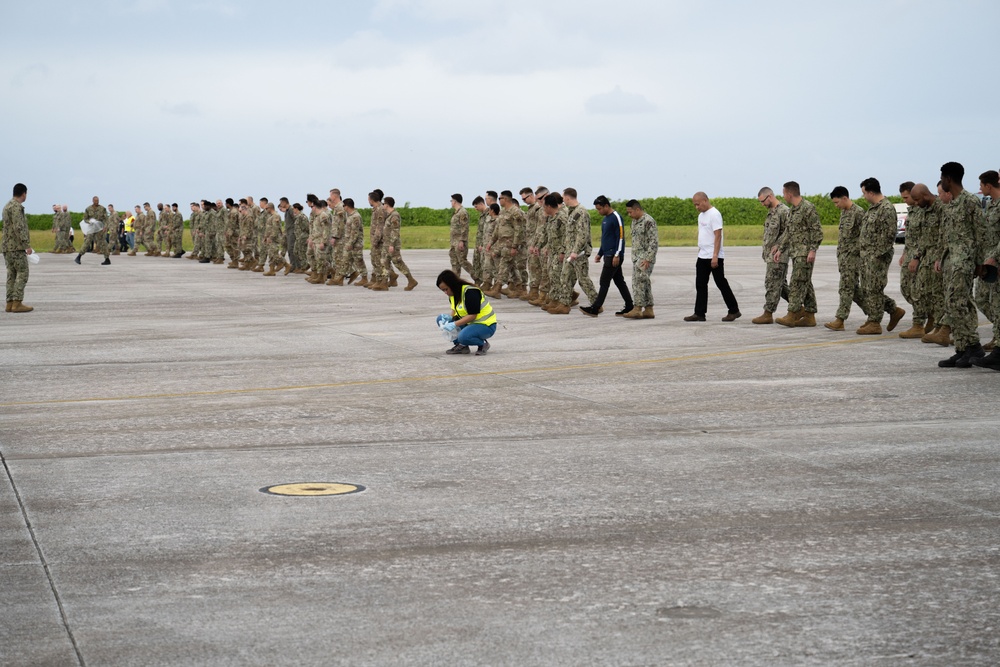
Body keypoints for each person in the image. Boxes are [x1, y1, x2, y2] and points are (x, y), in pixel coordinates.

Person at [935, 162, 986, 367]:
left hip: (964, 261)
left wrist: (981, 263)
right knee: (953, 304)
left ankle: (973, 346)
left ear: (949, 179)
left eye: (942, 178)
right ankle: (962, 348)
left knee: (957, 304)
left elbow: (981, 233)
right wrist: (941, 258)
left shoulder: (970, 201)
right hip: (951, 261)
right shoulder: (951, 204)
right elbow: (947, 236)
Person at [855, 178, 905, 335]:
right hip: (867, 256)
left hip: (876, 257)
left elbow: (889, 235)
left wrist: (875, 256)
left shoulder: (886, 208)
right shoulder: (873, 208)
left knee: (874, 288)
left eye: (864, 193)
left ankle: (875, 322)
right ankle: (891, 310)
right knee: (868, 289)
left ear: (871, 192)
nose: (863, 196)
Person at [685, 192, 740, 322]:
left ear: (705, 200)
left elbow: (718, 235)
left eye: (698, 204)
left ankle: (734, 310)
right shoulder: (701, 216)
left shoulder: (714, 214)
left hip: (714, 256)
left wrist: (715, 256)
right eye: (695, 205)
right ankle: (699, 313)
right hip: (702, 256)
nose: (696, 207)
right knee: (700, 285)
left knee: (721, 283)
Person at [774, 182, 821, 327]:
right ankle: (810, 315)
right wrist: (780, 249)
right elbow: (789, 232)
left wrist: (812, 250)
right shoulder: (793, 211)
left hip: (805, 253)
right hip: (795, 252)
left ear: (789, 193)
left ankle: (792, 314)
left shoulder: (807, 208)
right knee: (805, 282)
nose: (783, 196)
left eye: (783, 193)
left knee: (796, 283)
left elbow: (817, 231)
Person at [581, 195, 632, 317]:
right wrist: (600, 253)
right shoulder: (605, 219)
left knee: (604, 281)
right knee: (619, 281)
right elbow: (606, 238)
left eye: (599, 209)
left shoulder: (616, 218)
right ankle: (630, 306)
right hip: (607, 254)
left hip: (614, 256)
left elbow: (620, 237)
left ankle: (596, 308)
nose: (598, 211)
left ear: (606, 206)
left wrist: (617, 254)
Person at [436, 269, 497, 355]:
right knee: (441, 319)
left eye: (446, 289)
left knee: (464, 337)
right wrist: (449, 320)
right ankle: (461, 346)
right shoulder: (453, 294)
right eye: (443, 291)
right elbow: (454, 311)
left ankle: (483, 344)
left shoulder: (470, 292)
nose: (445, 292)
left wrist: (454, 324)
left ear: (452, 285)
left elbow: (473, 315)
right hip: (469, 324)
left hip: (485, 325)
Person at [752, 187, 789, 324]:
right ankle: (798, 308)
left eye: (763, 201)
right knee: (781, 286)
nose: (762, 204)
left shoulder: (783, 211)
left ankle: (768, 313)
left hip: (779, 256)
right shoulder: (772, 213)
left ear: (770, 196)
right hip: (770, 256)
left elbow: (789, 232)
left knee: (772, 284)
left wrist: (779, 246)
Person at [973, 170, 1000, 351]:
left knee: (997, 302)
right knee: (981, 298)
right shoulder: (990, 205)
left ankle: (998, 339)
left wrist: (995, 256)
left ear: (988, 185)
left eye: (981, 186)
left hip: (996, 259)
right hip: (986, 259)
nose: (980, 189)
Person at [622, 199, 658, 319]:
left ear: (638, 209)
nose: (629, 215)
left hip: (645, 258)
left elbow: (654, 242)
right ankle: (648, 309)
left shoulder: (649, 221)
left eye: (631, 212)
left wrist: (648, 258)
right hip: (636, 257)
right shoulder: (634, 221)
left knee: (638, 282)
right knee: (644, 282)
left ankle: (637, 308)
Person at [562, 188, 599, 307]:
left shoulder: (581, 212)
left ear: (568, 198)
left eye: (563, 198)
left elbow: (582, 234)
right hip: (570, 252)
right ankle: (564, 304)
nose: (563, 201)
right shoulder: (571, 212)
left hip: (578, 253)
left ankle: (596, 303)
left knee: (583, 280)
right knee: (565, 277)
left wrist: (575, 251)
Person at [3, 183, 33, 312]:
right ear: (24, 193)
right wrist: (26, 245)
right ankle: (17, 303)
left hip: (6, 247)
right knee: (23, 272)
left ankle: (9, 303)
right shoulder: (16, 207)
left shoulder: (6, 206)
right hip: (16, 247)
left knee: (11, 274)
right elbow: (18, 227)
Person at [382, 196, 418, 290]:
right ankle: (384, 283)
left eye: (383, 204)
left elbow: (395, 231)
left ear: (387, 204)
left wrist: (392, 244)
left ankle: (411, 280)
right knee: (384, 262)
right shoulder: (389, 215)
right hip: (387, 243)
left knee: (398, 263)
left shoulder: (394, 215)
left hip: (392, 244)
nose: (383, 205)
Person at [75, 196, 110, 265]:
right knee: (87, 242)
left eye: (97, 200)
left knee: (102, 243)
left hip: (99, 229)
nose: (96, 202)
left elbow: (106, 219)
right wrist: (89, 221)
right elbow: (85, 218)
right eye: (95, 200)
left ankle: (107, 259)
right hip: (91, 228)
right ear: (93, 201)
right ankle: (79, 257)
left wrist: (105, 227)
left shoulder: (102, 209)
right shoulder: (88, 209)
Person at [449, 194, 475, 279]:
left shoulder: (462, 212)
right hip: (454, 242)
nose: (451, 202)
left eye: (451, 200)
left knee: (462, 261)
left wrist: (462, 241)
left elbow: (465, 227)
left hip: (459, 242)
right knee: (454, 262)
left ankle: (476, 277)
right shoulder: (456, 212)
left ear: (455, 201)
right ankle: (455, 281)